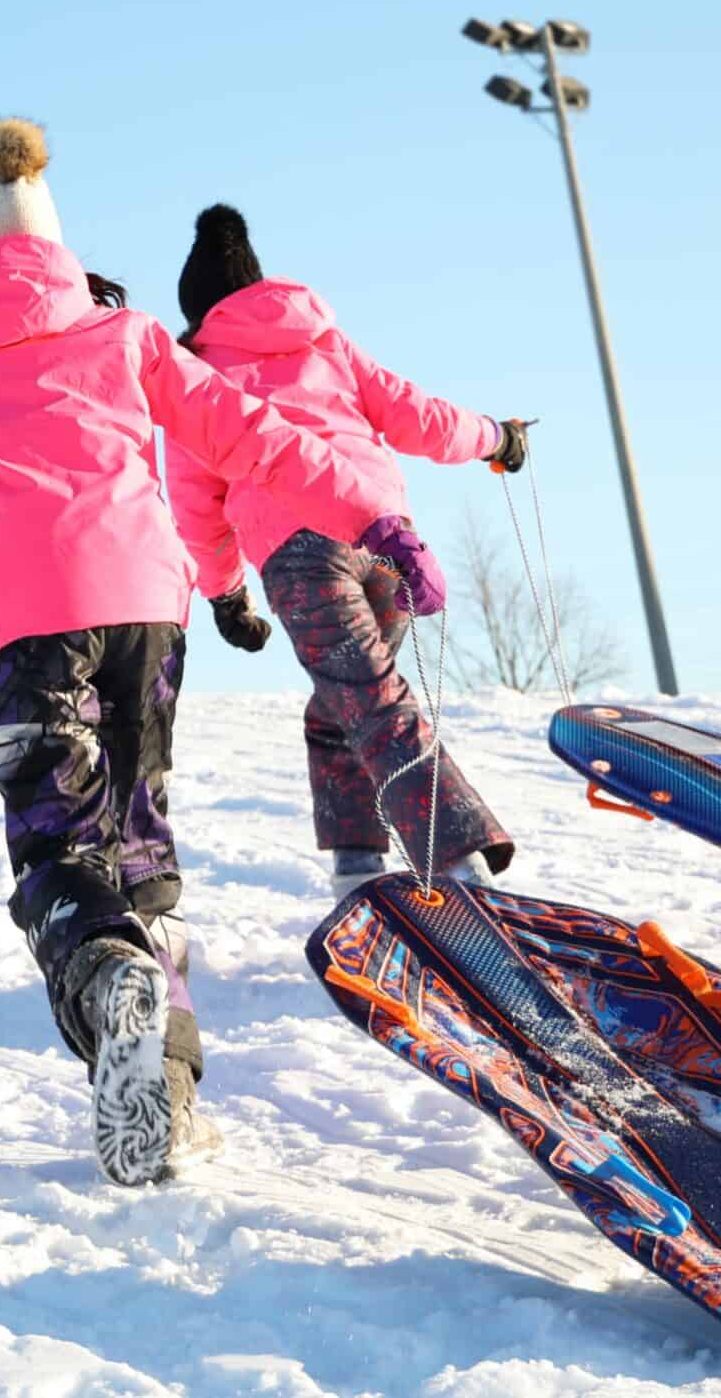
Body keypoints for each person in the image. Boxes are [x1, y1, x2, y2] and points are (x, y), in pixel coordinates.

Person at [0, 121, 390, 1187]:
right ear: (56, 249)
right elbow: (243, 429)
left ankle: (105, 969)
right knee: (140, 838)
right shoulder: (124, 335)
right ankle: (167, 1090)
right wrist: (369, 507)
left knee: (61, 842)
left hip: (23, 626)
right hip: (142, 613)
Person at [166, 203, 530, 898]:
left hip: (301, 555)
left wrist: (226, 596)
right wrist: (497, 437)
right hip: (382, 540)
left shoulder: (201, 374)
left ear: (199, 309)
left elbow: (195, 502)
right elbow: (419, 416)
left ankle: (462, 864)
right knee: (345, 703)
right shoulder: (325, 342)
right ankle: (358, 861)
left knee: (369, 702)